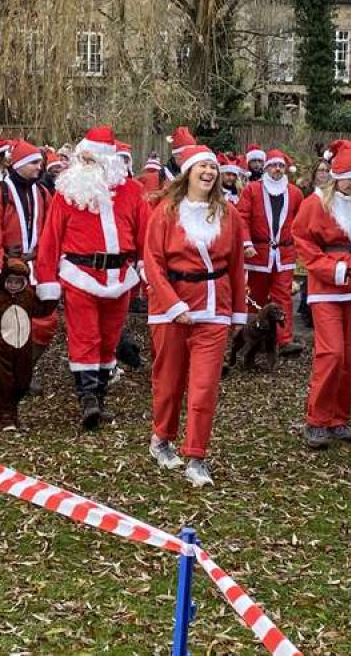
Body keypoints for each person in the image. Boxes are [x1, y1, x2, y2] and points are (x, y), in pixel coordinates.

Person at [144, 144, 247, 487]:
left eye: (213, 168)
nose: (209, 172)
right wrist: (173, 305)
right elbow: (153, 263)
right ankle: (162, 437)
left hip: (214, 308)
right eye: (202, 166)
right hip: (170, 310)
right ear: (188, 172)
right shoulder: (165, 212)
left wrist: (238, 314)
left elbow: (236, 266)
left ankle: (197, 456)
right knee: (170, 382)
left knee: (204, 387)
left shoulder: (228, 214)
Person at [35, 126, 150, 430]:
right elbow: (50, 239)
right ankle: (87, 399)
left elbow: (145, 234)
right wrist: (47, 282)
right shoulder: (66, 193)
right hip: (80, 274)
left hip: (120, 276)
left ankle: (99, 395)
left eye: (91, 159)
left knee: (110, 338)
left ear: (108, 161)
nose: (83, 164)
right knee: (85, 335)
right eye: (81, 158)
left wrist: (145, 266)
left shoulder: (133, 191)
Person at [293, 140, 351, 451]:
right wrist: (330, 269)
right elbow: (303, 242)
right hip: (327, 288)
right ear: (337, 176)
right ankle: (316, 419)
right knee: (332, 354)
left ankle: (339, 417)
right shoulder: (315, 205)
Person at [0, 140, 57, 396]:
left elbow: (50, 232)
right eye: (35, 162)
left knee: (45, 321)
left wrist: (50, 267)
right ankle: (10, 375)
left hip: (36, 266)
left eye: (40, 162)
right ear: (21, 165)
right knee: (11, 323)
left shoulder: (44, 193)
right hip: (8, 268)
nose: (40, 167)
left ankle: (24, 368)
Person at [238, 148, 303, 356]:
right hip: (258, 252)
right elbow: (242, 217)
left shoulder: (294, 193)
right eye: (274, 165)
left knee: (283, 296)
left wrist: (298, 246)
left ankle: (284, 340)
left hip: (284, 253)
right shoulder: (252, 190)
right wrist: (246, 243)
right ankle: (251, 335)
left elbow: (301, 222)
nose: (277, 169)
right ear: (266, 168)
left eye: (281, 166)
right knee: (255, 295)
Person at [0, 258, 42, 430]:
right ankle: (5, 416)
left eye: (18, 282)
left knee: (23, 381)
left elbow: (41, 310)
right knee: (3, 381)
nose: (14, 285)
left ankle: (13, 412)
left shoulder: (29, 297)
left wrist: (50, 295)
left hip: (23, 345)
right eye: (10, 281)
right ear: (4, 281)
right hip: (0, 346)